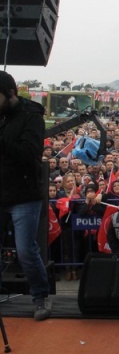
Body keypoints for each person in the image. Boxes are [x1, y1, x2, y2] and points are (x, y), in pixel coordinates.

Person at [0, 71, 52, 321]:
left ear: (10, 94)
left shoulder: (31, 117)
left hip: (23, 195)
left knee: (25, 251)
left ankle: (41, 296)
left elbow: (29, 155)